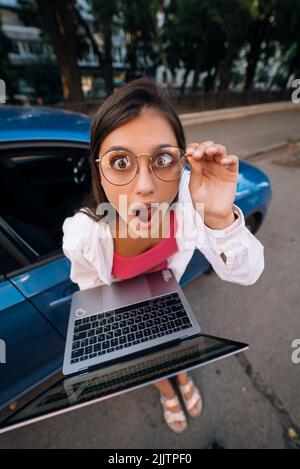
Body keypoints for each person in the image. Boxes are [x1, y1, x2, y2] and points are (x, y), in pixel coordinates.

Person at [62, 76, 265, 433]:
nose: (145, 186)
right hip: (125, 313)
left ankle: (183, 380)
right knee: (144, 360)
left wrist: (218, 217)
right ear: (99, 169)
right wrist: (115, 327)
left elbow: (247, 272)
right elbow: (89, 286)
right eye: (120, 162)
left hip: (169, 302)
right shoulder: (83, 236)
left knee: (175, 345)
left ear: (181, 162)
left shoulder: (190, 204)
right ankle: (166, 392)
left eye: (163, 159)